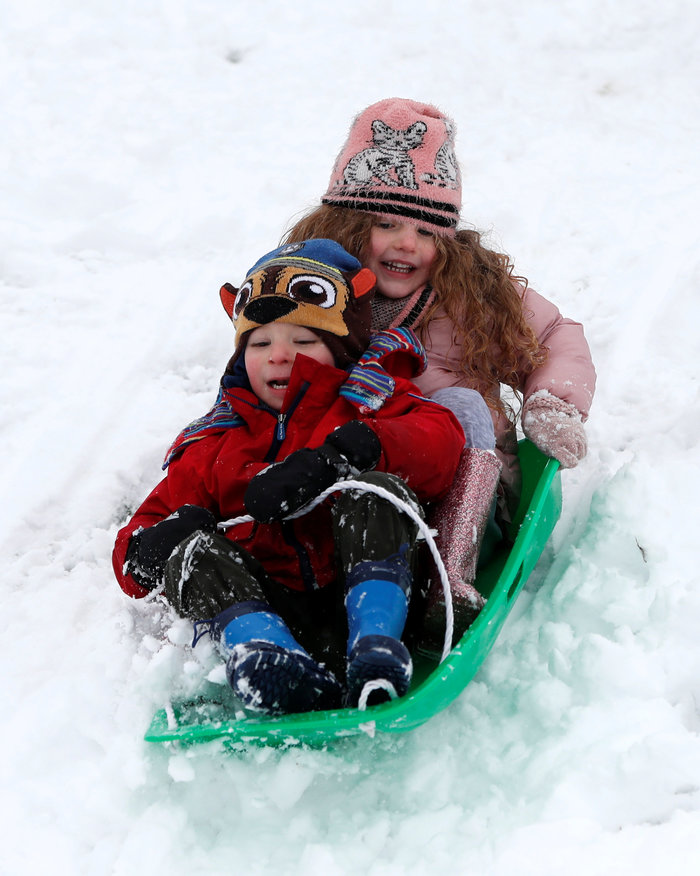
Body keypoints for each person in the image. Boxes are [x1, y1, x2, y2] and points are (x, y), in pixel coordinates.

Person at [112, 239, 466, 715]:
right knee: (194, 553)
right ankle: (266, 657)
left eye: (303, 341)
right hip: (271, 608)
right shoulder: (215, 443)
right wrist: (155, 545)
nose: (279, 356)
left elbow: (441, 441)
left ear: (339, 349)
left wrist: (341, 455)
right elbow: (139, 535)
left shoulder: (369, 400)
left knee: (378, 491)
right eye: (260, 344)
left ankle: (376, 647)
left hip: (374, 587)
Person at [282, 98, 596, 521]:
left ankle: (457, 544)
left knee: (458, 404)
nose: (407, 244)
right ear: (345, 228)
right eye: (386, 224)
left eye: (427, 232)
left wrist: (551, 404)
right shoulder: (306, 295)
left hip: (459, 493)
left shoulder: (466, 296)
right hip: (334, 489)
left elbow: (554, 334)